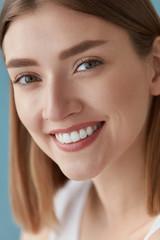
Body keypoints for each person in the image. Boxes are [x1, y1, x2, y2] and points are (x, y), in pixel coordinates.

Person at [0, 0, 160, 239]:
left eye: (87, 64)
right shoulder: (48, 227)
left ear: (156, 67)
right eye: (28, 78)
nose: (55, 110)